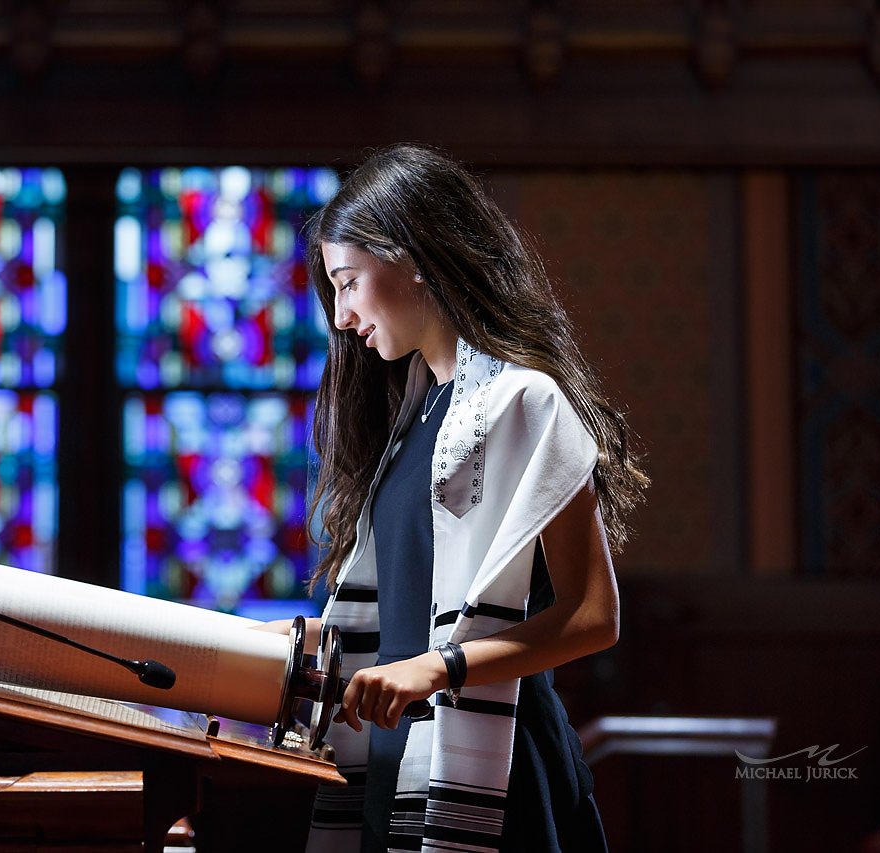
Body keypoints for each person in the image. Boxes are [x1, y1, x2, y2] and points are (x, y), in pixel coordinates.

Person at [262, 144, 648, 853]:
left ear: (410, 255)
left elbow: (595, 616)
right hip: (395, 762)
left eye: (348, 282)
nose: (342, 315)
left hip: (498, 774)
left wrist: (440, 666)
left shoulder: (522, 401)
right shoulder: (411, 418)